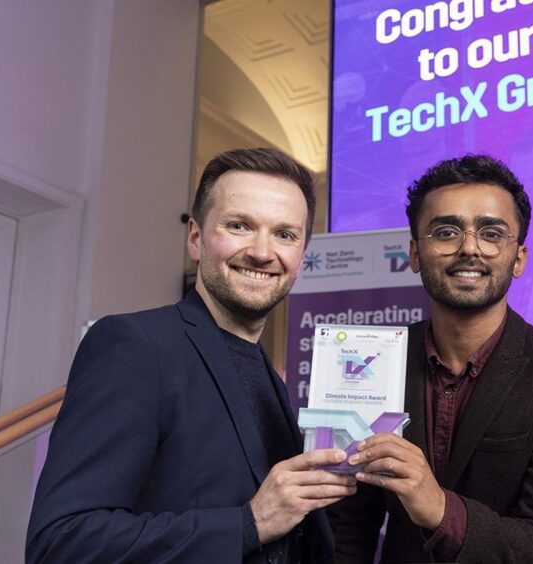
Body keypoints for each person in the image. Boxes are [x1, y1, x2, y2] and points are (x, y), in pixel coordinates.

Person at [27, 148, 355, 563]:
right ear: (196, 238)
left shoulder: (267, 376)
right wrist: (249, 523)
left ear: (301, 257)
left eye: (285, 234)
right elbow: (61, 541)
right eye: (239, 225)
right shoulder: (133, 346)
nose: (262, 251)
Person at [328, 155, 533, 563]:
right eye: (446, 231)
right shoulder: (368, 361)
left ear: (518, 258)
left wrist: (440, 508)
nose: (468, 247)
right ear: (414, 254)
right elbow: (346, 530)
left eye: (491, 233)